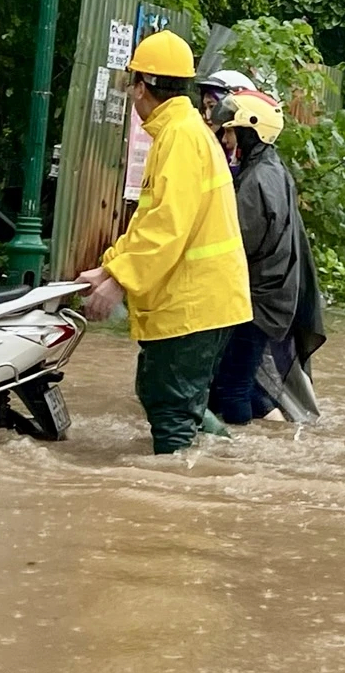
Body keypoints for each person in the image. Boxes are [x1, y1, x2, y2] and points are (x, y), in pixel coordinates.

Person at [79, 30, 253, 454]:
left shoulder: (178, 137)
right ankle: (229, 461)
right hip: (203, 301)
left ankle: (175, 494)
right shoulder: (184, 130)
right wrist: (109, 264)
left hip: (192, 303)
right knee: (176, 399)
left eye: (131, 85)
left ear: (142, 86)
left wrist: (119, 278)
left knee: (170, 403)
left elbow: (166, 225)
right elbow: (152, 219)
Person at [203, 85, 325, 425]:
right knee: (236, 380)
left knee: (233, 387)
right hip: (269, 298)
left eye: (230, 132)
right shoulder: (270, 169)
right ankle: (277, 432)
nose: (225, 140)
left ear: (249, 131)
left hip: (259, 302)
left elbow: (236, 245)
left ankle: (238, 457)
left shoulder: (258, 181)